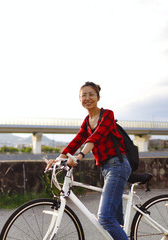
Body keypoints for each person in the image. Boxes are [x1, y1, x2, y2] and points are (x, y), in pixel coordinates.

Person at [46, 81, 131, 240]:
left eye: (91, 94)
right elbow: (76, 141)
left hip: (118, 166)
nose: (87, 98)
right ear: (80, 100)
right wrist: (59, 159)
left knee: (105, 218)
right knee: (116, 223)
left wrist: (80, 156)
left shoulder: (107, 115)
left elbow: (96, 137)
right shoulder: (87, 121)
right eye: (83, 95)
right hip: (106, 169)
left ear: (98, 97)